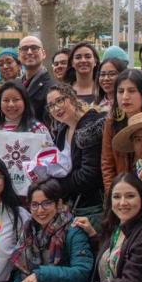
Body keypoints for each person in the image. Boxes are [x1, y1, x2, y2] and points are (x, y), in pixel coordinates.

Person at [44, 83, 105, 223]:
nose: (56, 108)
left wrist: (56, 186)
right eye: (51, 105)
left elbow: (89, 175)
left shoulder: (91, 125)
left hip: (92, 207)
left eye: (60, 100)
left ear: (72, 98)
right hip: (73, 205)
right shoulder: (62, 129)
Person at [101, 69, 142, 190]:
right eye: (120, 91)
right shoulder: (112, 122)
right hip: (122, 192)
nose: (125, 97)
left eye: (132, 91)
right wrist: (113, 196)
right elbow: (107, 163)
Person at [0, 81, 53, 159]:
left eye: (16, 100)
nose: (11, 104)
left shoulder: (38, 129)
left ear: (25, 101)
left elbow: (50, 157)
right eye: (6, 100)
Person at [17, 35, 53, 124]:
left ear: (43, 54)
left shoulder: (52, 87)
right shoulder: (16, 85)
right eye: (24, 49)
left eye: (34, 48)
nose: (29, 52)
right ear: (19, 55)